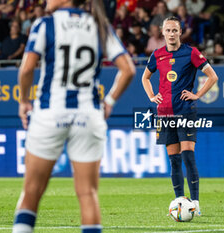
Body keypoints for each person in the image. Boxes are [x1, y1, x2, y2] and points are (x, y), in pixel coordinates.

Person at [12, 0, 135, 232]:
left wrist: (24, 101)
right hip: (89, 116)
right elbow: (128, 69)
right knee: (88, 194)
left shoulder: (44, 24)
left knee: (31, 192)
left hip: (50, 113)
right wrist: (109, 102)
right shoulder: (100, 26)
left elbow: (27, 69)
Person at [142, 16, 218, 216]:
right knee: (174, 160)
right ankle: (178, 202)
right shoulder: (157, 55)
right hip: (164, 113)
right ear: (163, 32)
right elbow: (145, 77)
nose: (171, 34)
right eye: (168, 30)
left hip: (185, 111)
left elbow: (213, 76)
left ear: (180, 32)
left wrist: (197, 95)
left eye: (175, 30)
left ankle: (195, 203)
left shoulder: (191, 53)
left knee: (188, 156)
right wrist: (152, 96)